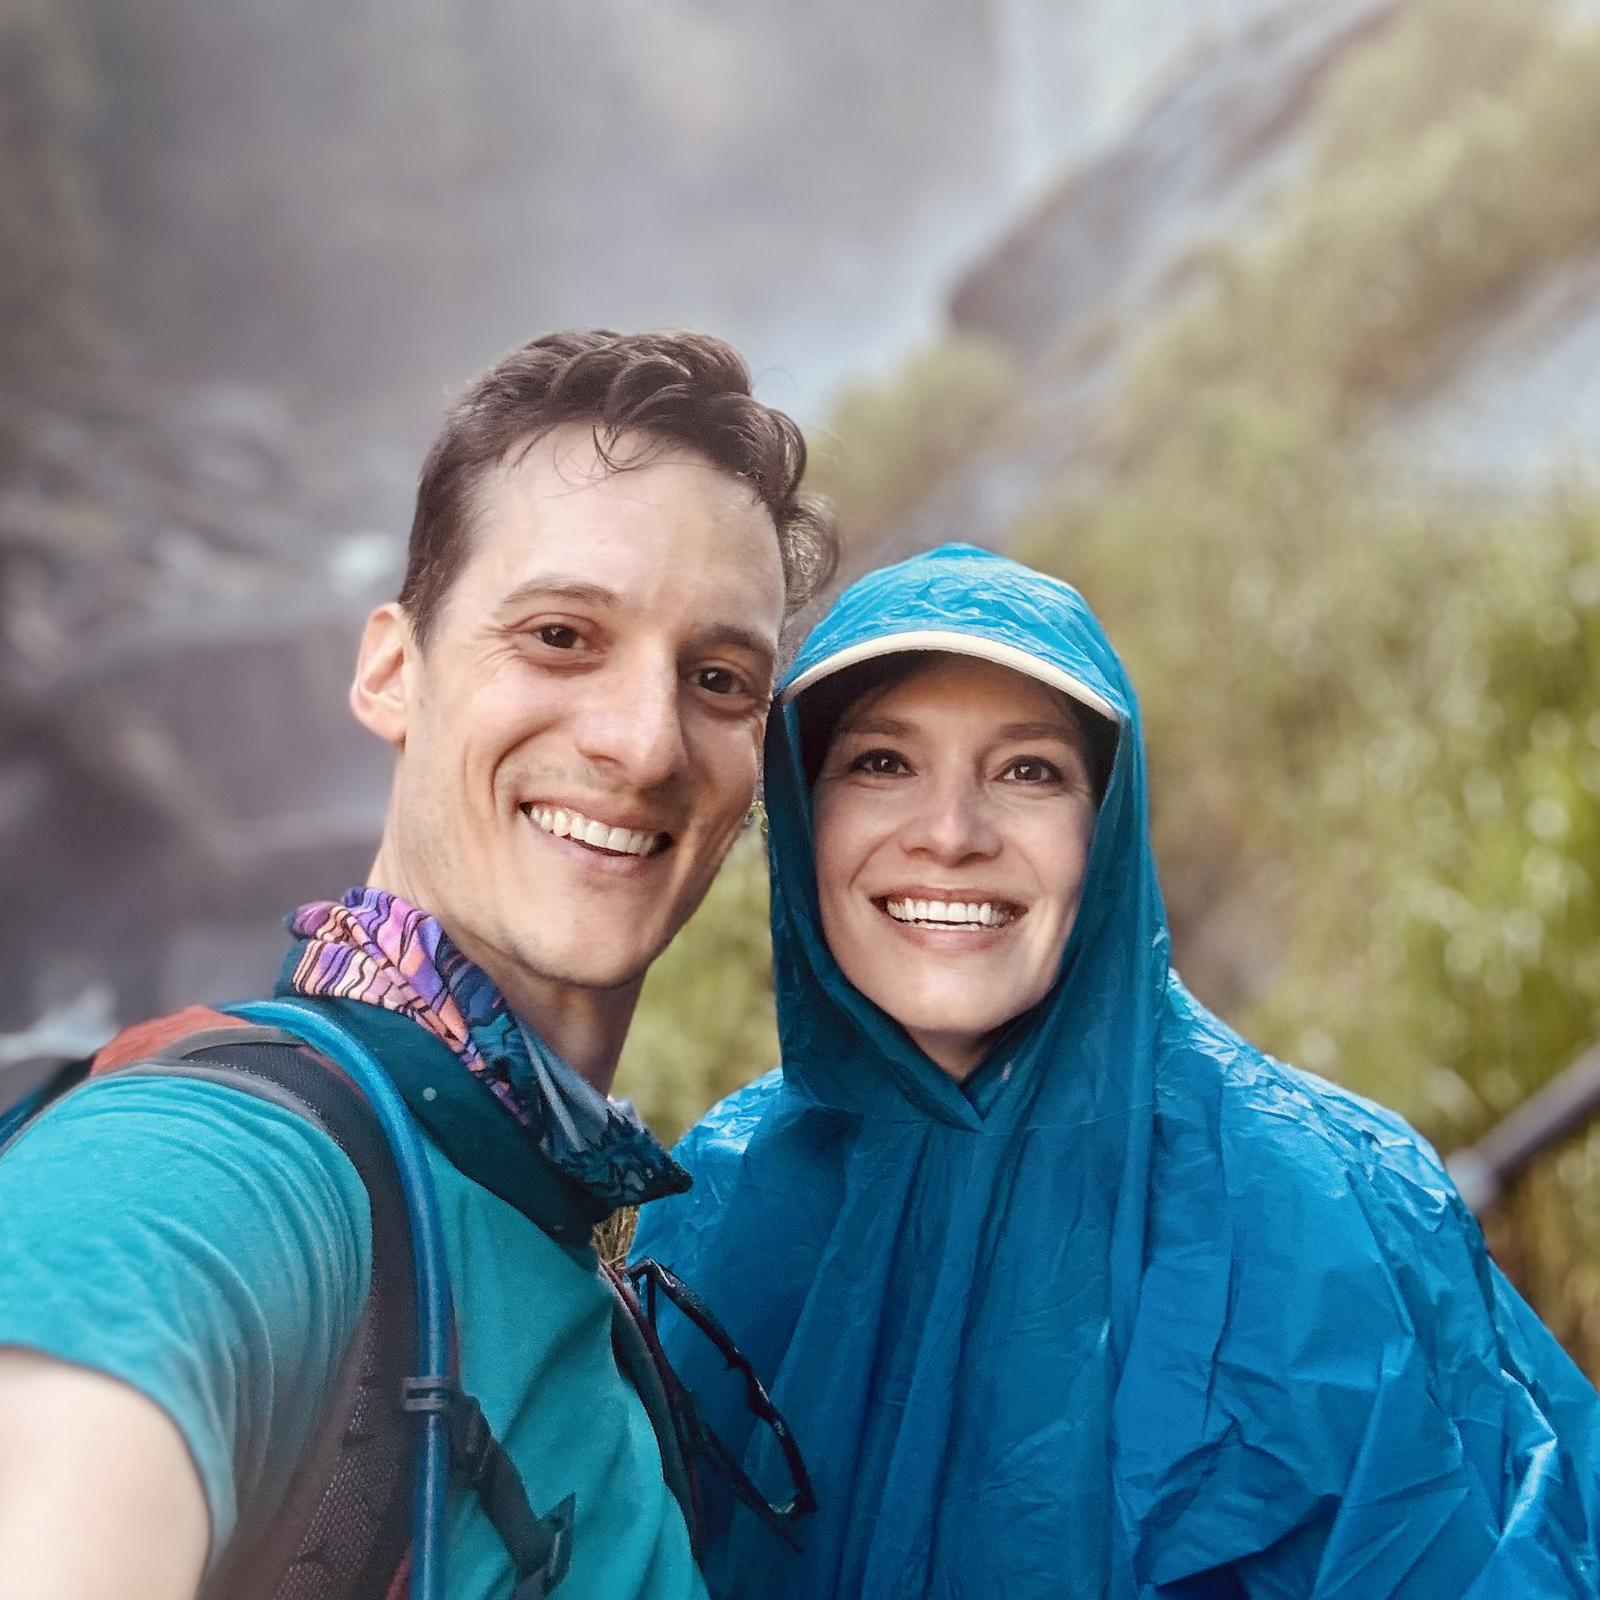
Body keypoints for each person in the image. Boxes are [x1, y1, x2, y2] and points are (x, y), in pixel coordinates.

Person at [0, 329, 837, 1600]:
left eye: (716, 678)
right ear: (393, 669)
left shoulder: (541, 1203)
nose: (643, 741)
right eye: (561, 635)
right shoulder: (227, 1169)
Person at [632, 543, 1600, 1599]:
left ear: (1109, 827)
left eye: (1029, 771)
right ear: (802, 818)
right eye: (881, 762)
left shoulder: (1330, 1203)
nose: (950, 833)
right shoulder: (713, 1203)